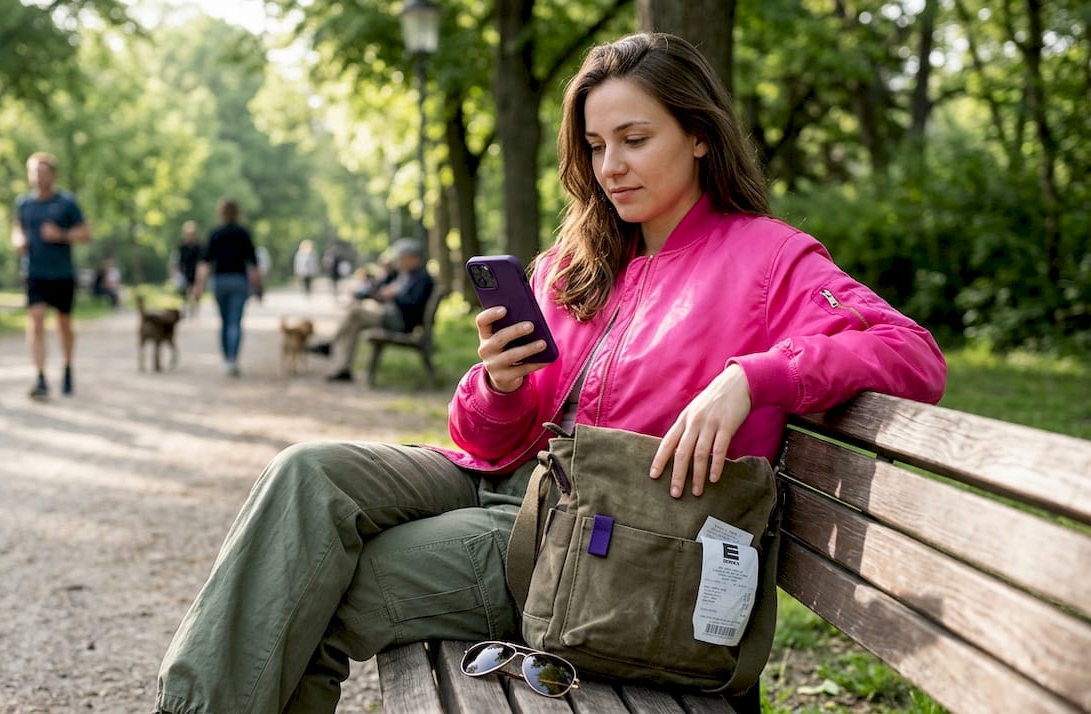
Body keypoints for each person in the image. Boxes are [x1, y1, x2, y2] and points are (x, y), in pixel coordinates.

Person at [154, 33, 946, 714]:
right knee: (305, 473)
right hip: (511, 481)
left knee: (318, 590)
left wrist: (752, 377)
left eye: (635, 139)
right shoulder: (576, 262)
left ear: (699, 135)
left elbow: (912, 354)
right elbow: (486, 436)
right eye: (596, 146)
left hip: (604, 540)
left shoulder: (768, 258)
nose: (611, 166)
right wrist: (495, 383)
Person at [12, 152, 90, 399]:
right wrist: (19, 240)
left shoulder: (67, 202)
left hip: (62, 272)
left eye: (43, 171)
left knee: (63, 324)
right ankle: (40, 376)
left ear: (53, 175)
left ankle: (67, 366)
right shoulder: (23, 204)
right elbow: (17, 230)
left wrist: (62, 235)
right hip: (34, 272)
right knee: (35, 320)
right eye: (34, 171)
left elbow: (85, 233)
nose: (38, 176)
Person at [306, 238, 434, 383]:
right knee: (354, 319)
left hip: (402, 322)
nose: (400, 262)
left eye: (403, 258)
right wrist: (384, 294)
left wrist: (394, 296)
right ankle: (343, 368)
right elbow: (389, 289)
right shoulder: (409, 275)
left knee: (355, 313)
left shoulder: (422, 278)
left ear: (413, 258)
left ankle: (331, 345)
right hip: (394, 316)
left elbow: (413, 306)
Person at [194, 198, 263, 377]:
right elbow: (253, 264)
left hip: (220, 281)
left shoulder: (215, 233)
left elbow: (204, 263)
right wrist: (259, 286)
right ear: (237, 213)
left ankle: (226, 360)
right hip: (239, 281)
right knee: (235, 322)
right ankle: (232, 360)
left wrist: (198, 286)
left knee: (224, 322)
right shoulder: (243, 233)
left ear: (221, 213)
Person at [172, 221, 204, 316]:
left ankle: (195, 308)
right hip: (184, 272)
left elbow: (201, 261)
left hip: (196, 272)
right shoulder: (181, 246)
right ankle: (185, 309)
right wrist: (177, 272)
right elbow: (178, 260)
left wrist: (200, 276)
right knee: (184, 292)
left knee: (196, 292)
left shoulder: (198, 246)